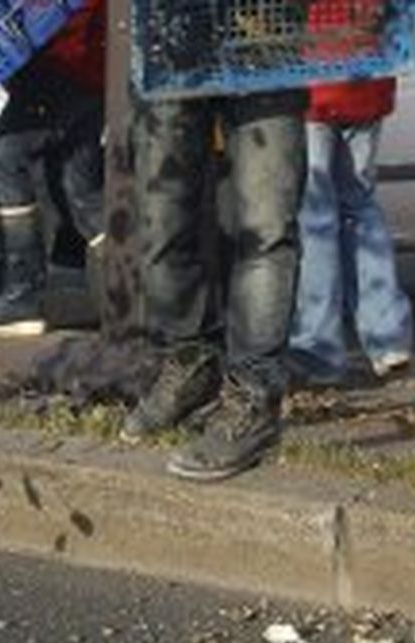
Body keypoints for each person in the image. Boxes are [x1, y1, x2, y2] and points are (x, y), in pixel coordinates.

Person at [118, 86, 307, 480]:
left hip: (268, 52)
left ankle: (254, 395)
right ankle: (192, 361)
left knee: (266, 228)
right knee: (162, 222)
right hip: (173, 52)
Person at [0, 0, 106, 337]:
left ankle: (21, 296)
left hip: (65, 64)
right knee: (78, 189)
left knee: (1, 157)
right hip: (85, 66)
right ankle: (128, 291)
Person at [288, 76, 412, 386]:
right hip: (368, 90)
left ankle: (320, 352)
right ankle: (388, 339)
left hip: (313, 93)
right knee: (359, 207)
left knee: (317, 221)